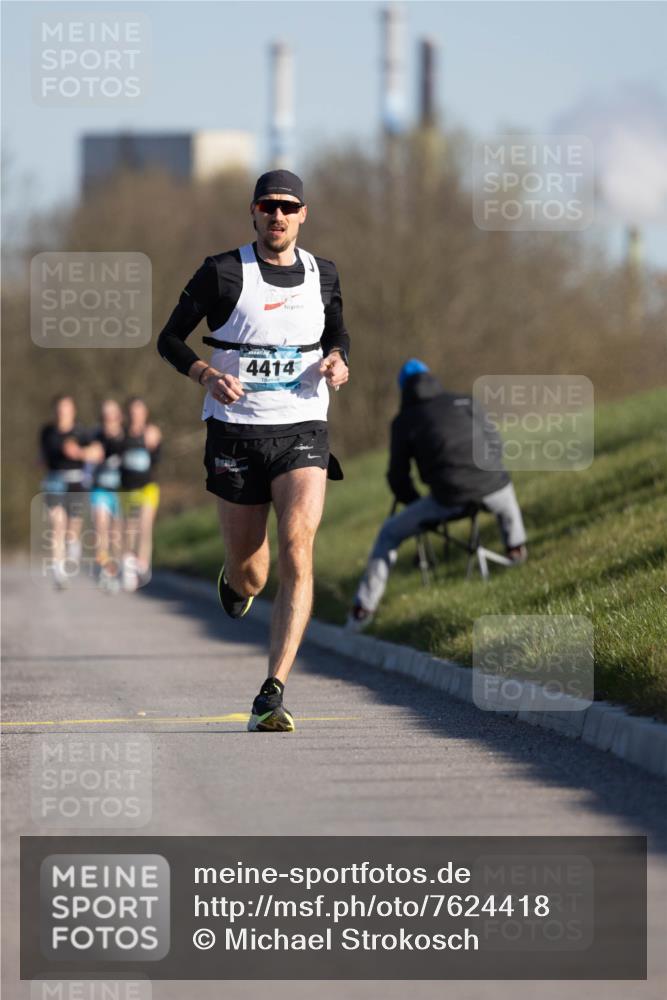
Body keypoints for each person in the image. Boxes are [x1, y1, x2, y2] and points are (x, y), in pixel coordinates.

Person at [157, 169, 350, 732]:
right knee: (252, 576)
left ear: (303, 214)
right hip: (237, 431)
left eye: (289, 206)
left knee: (297, 543)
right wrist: (202, 373)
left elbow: (337, 333)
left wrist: (339, 360)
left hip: (303, 427)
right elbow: (169, 338)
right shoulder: (222, 271)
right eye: (269, 206)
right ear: (254, 211)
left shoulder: (323, 273)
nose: (278, 215)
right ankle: (234, 579)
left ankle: (274, 691)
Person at [347, 360, 527, 629]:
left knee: (389, 533)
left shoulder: (403, 421)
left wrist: (416, 503)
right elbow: (495, 443)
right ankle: (516, 550)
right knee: (504, 488)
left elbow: (398, 477)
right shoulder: (465, 402)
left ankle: (363, 609)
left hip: (448, 498)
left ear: (403, 390)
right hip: (494, 486)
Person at [39, 394, 103, 589]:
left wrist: (79, 453)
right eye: (59, 408)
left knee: (71, 530)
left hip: (76, 482)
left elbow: (98, 453)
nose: (62, 412)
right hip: (54, 481)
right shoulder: (47, 431)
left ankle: (72, 549)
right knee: (56, 523)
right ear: (55, 411)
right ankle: (59, 572)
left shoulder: (82, 432)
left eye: (66, 408)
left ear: (72, 410)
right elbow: (41, 455)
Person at [119, 397, 162, 591]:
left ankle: (142, 563)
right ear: (128, 414)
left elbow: (158, 459)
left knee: (144, 525)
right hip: (127, 488)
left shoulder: (152, 433)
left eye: (139, 411)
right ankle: (128, 565)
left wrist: (155, 445)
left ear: (145, 413)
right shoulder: (121, 435)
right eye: (133, 411)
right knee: (129, 528)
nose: (136, 415)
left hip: (147, 487)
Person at [90, 398, 125, 592]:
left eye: (111, 415)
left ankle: (113, 570)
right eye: (104, 416)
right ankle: (104, 568)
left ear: (119, 416)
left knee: (116, 535)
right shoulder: (95, 436)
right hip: (100, 490)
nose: (108, 419)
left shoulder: (126, 437)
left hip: (121, 492)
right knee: (101, 527)